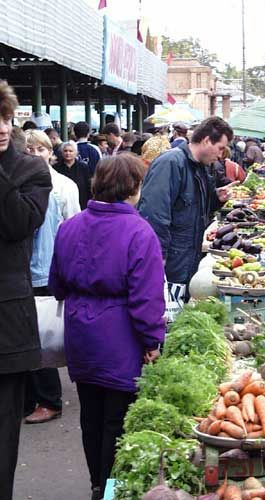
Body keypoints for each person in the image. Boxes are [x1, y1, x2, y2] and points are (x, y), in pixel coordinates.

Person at [49, 153, 165, 500]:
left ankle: (97, 486)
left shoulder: (70, 227)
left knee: (91, 418)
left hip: (80, 335)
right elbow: (146, 300)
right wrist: (152, 341)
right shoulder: (140, 232)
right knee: (117, 422)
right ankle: (110, 491)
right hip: (120, 340)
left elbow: (56, 285)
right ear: (133, 187)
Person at [0, 81, 51, 500]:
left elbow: (18, 224)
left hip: (7, 324)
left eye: (4, 118)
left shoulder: (31, 171)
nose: (2, 127)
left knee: (2, 438)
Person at [139, 117, 236, 303]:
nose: (221, 155)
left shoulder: (201, 168)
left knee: (178, 310)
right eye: (220, 148)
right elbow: (154, 213)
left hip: (186, 258)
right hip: (171, 261)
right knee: (165, 310)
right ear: (206, 140)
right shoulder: (171, 163)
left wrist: (216, 199)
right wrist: (158, 256)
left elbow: (196, 210)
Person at [24, 130, 80, 425]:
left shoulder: (63, 186)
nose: (35, 154)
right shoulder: (20, 182)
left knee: (41, 335)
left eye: (40, 149)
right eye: (29, 149)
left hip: (47, 270)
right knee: (26, 335)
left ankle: (49, 399)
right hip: (25, 270)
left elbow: (74, 227)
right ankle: (29, 397)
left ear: (50, 152)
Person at [55, 141, 92, 209]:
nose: (68, 153)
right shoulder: (56, 168)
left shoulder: (83, 167)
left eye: (70, 151)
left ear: (76, 153)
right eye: (65, 151)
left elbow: (89, 186)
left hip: (82, 204)